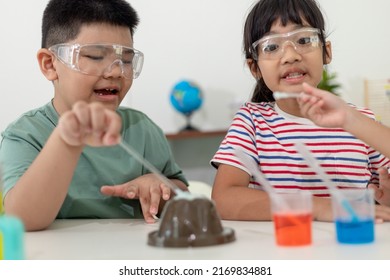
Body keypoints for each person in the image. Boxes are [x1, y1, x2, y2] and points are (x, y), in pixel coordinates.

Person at [0, 0, 188, 231]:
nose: (117, 71)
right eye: (95, 56)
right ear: (50, 64)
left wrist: (159, 188)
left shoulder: (142, 128)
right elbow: (23, 220)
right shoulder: (24, 135)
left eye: (126, 60)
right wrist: (67, 140)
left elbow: (182, 196)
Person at [210, 0, 390, 222]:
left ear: (326, 52)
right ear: (255, 67)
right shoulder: (252, 122)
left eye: (304, 40)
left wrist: (386, 198)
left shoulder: (359, 121)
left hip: (353, 250)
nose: (290, 56)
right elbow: (223, 199)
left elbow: (384, 193)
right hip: (280, 253)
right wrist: (320, 207)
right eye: (271, 46)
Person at [298, 82, 390, 207]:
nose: (290, 60)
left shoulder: (362, 121)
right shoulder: (261, 125)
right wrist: (324, 208)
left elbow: (383, 188)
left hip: (358, 224)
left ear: (327, 60)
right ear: (260, 71)